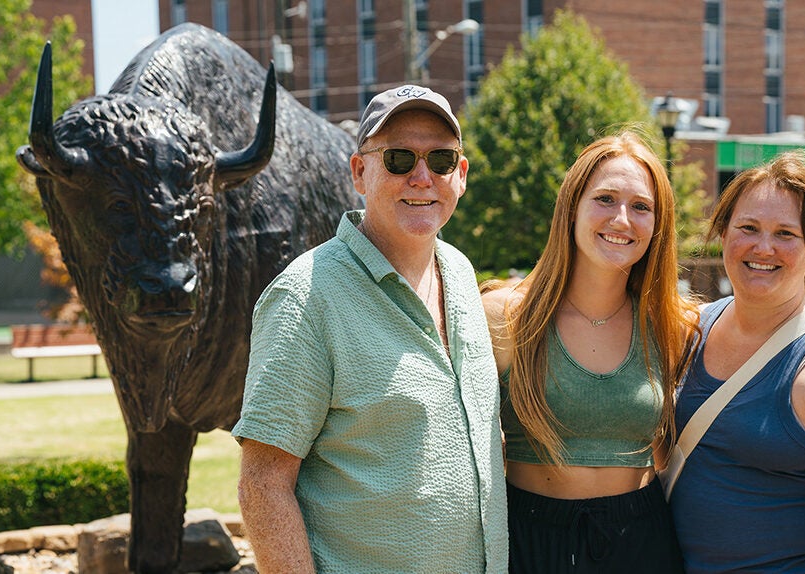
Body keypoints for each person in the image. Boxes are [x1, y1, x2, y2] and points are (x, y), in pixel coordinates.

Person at [232, 85, 507, 573]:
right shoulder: (305, 297)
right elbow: (264, 485)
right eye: (399, 158)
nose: (422, 177)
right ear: (359, 172)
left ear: (460, 176)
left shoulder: (461, 274)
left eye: (441, 160)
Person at [483, 131, 698, 573]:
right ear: (572, 208)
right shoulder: (505, 318)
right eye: (605, 198)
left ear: (658, 225)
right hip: (529, 542)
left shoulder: (674, 326)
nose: (622, 219)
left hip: (642, 542)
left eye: (641, 207)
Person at [669, 151, 805, 572]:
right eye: (748, 228)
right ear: (723, 234)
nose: (763, 247)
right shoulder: (694, 328)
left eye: (785, 233)